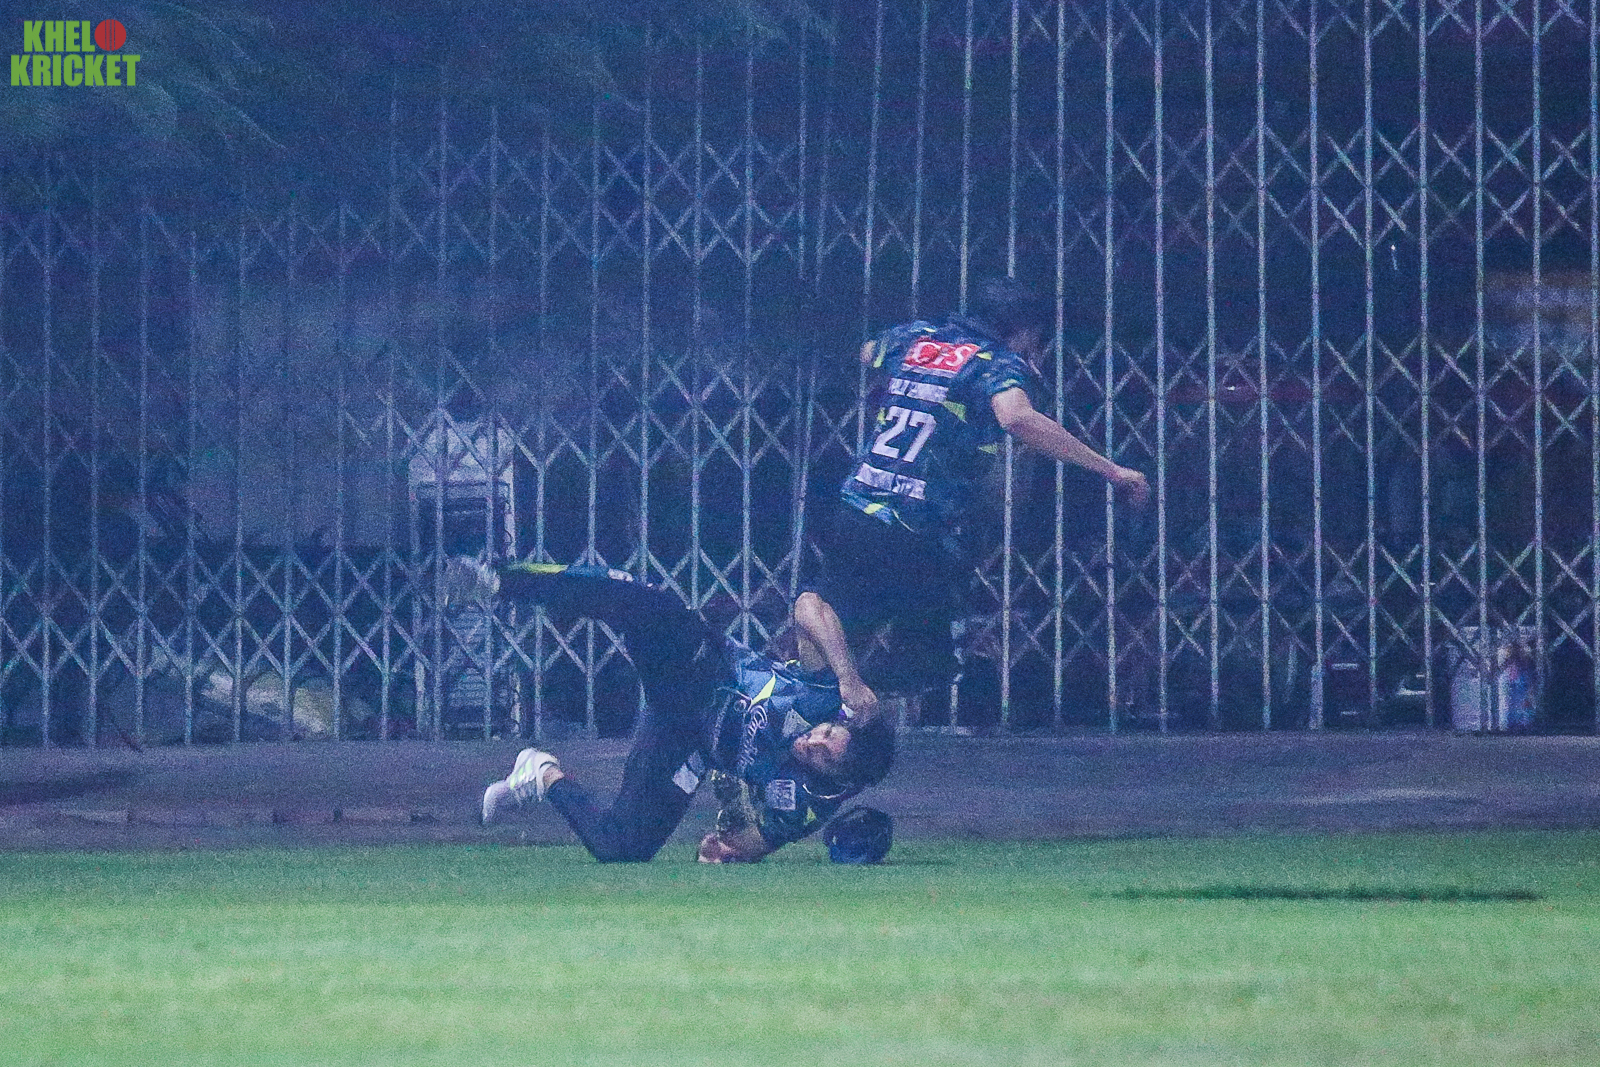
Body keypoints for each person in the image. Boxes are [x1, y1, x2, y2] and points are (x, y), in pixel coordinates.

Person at [791, 276, 1151, 710]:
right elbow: (1016, 418)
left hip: (857, 509)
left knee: (838, 618)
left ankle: (823, 699)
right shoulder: (994, 363)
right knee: (927, 658)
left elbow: (868, 352)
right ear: (1022, 329)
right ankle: (859, 687)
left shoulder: (916, 337)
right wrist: (1111, 470)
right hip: (917, 524)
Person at [476, 561, 896, 863]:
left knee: (624, 847)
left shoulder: (808, 802)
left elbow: (756, 843)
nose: (812, 743)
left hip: (686, 738)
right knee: (643, 605)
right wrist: (848, 677)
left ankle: (541, 774)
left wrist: (725, 849)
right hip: (700, 664)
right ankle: (501, 581)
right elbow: (808, 604)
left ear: (838, 779)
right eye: (826, 734)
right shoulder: (826, 693)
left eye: (823, 757)